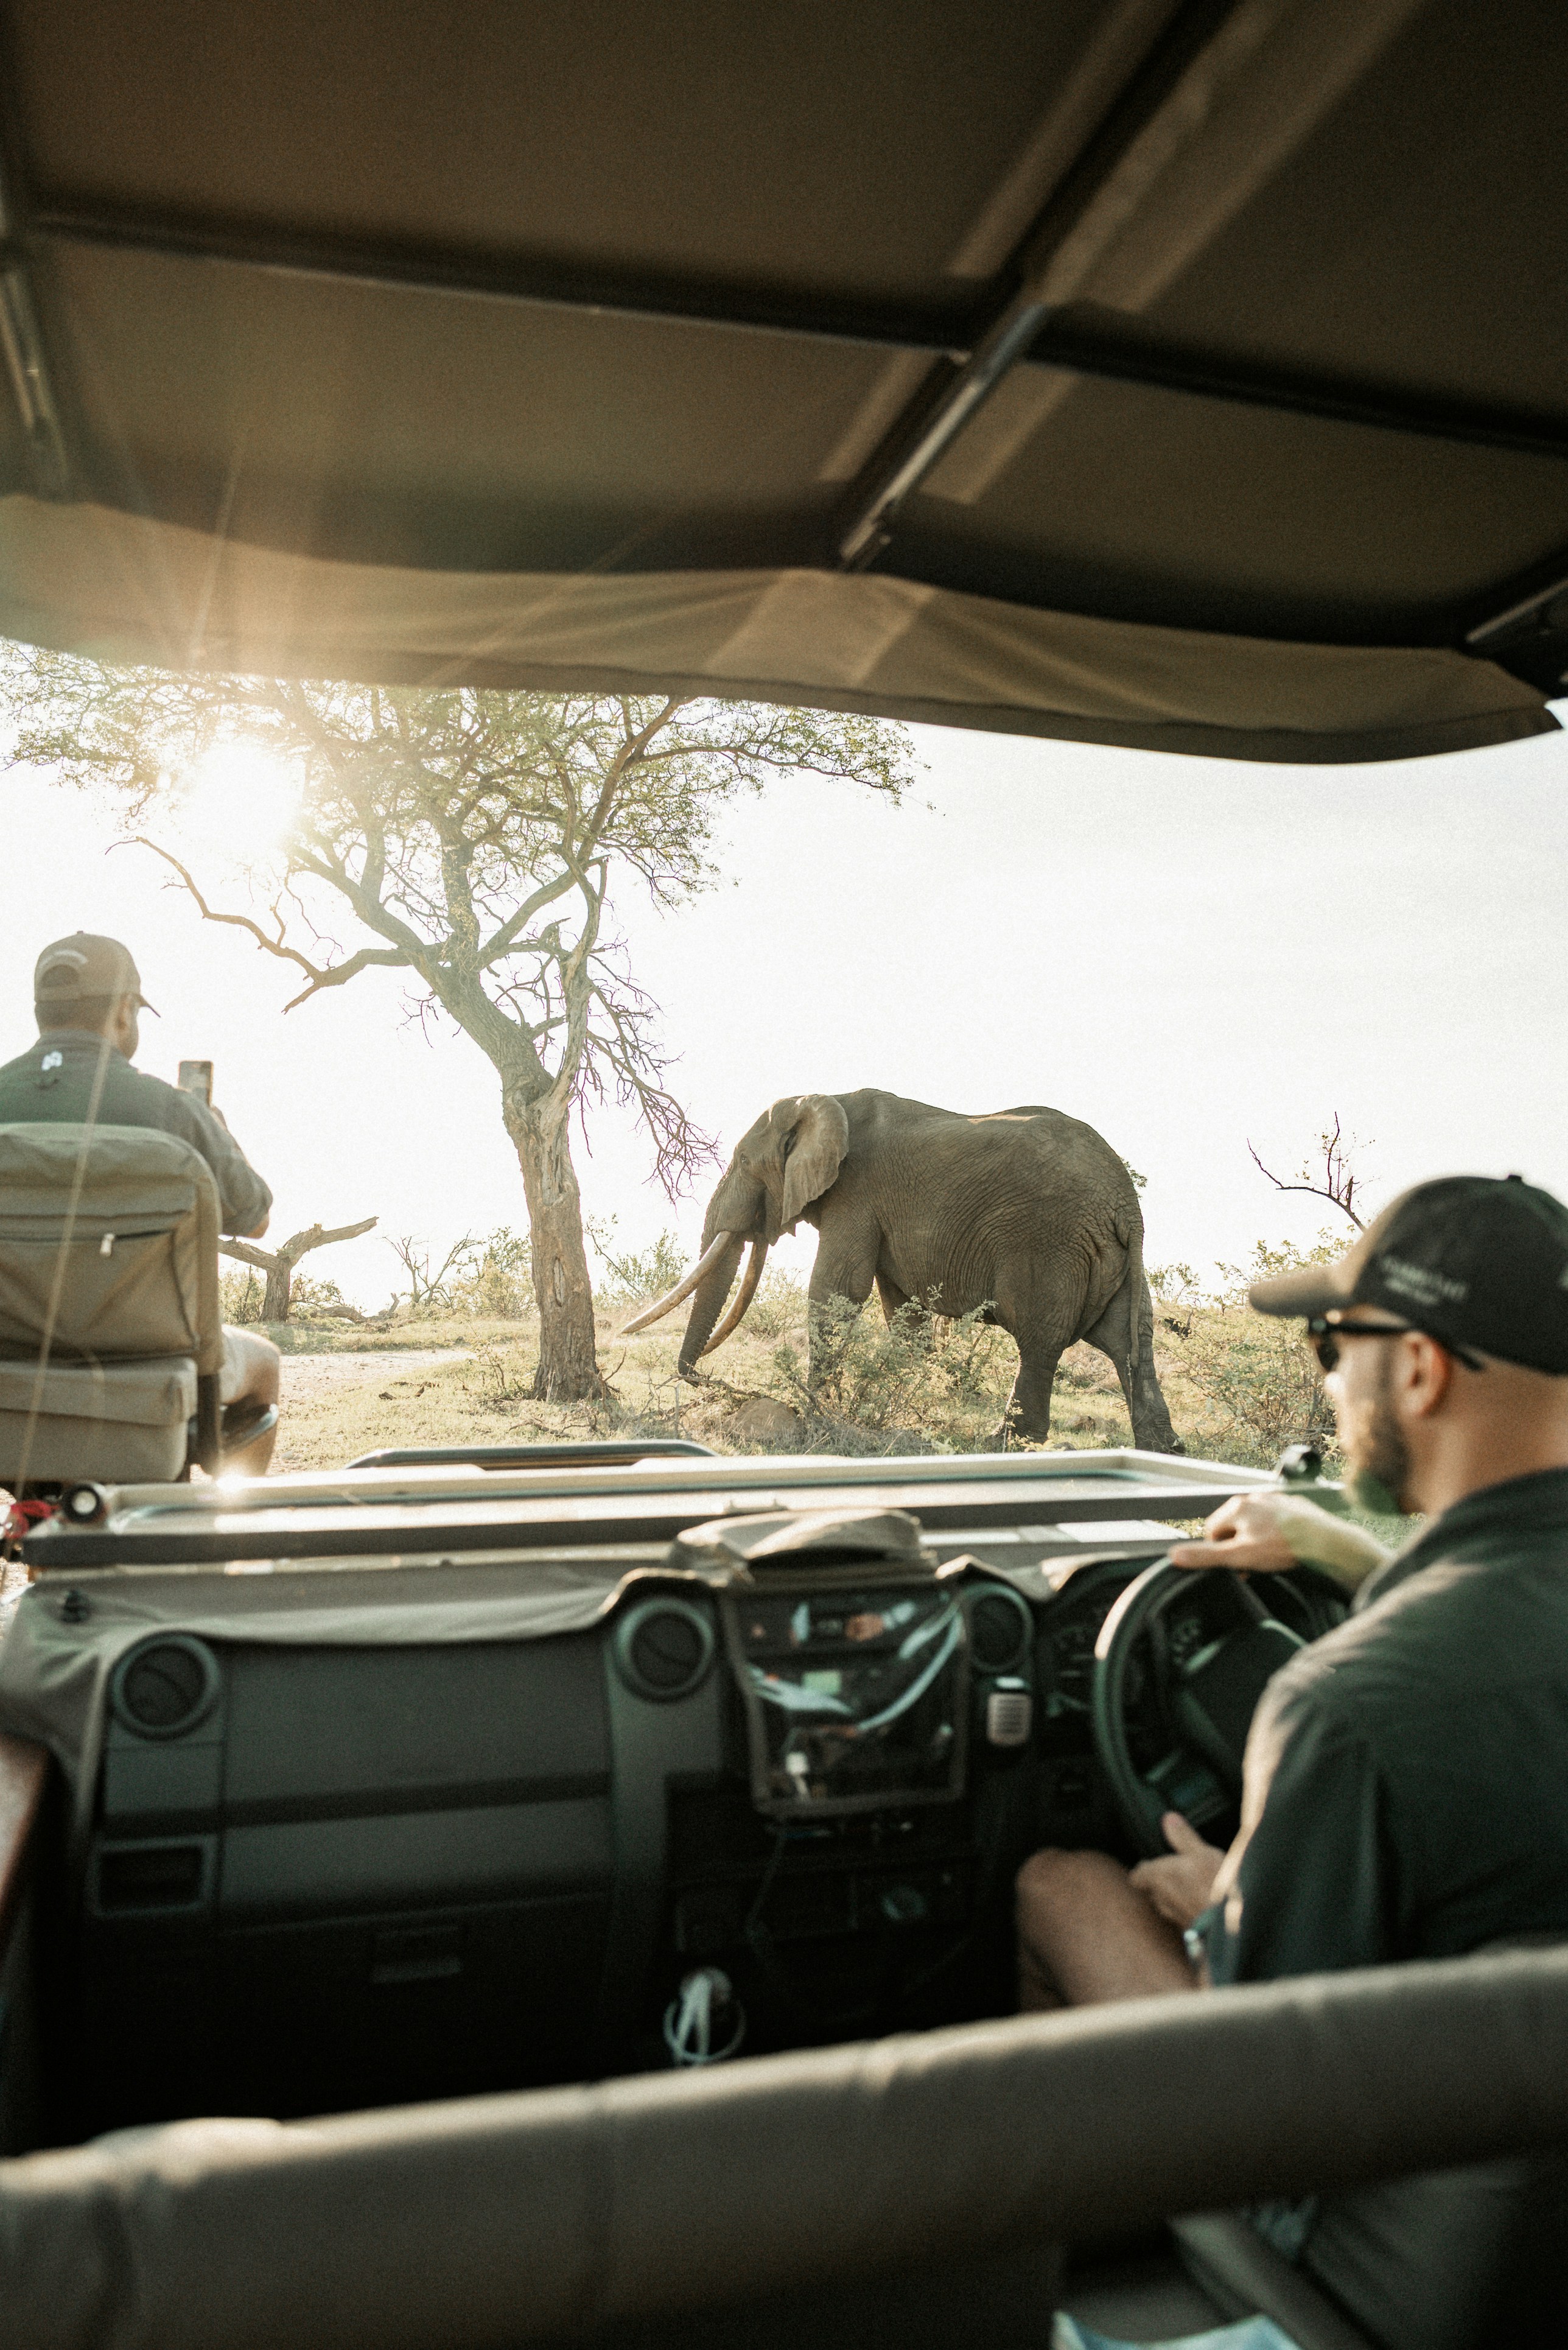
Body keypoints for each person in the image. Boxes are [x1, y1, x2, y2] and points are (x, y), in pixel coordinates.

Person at [1017, 1174, 1568, 2350]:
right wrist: (1337, 1550)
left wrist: (1225, 1902)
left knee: (1060, 1886)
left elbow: (1266, 2091)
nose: (1328, 1376)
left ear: (1417, 1368)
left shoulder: (1346, 1709)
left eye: (1334, 1342)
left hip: (1400, 2277)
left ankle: (1077, 2285)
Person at [0, 933, 282, 1473]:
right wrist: (216, 1131)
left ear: (42, 1011)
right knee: (264, 1363)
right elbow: (257, 1218)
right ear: (125, 1013)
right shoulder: (172, 1111)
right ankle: (231, 1533)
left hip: (8, 1358)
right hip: (153, 1366)